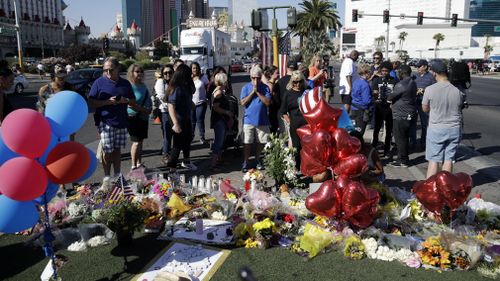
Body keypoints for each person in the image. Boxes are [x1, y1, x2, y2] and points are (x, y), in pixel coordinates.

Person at [88, 57, 136, 181]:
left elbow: (133, 100)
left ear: (118, 69)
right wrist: (107, 102)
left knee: (117, 149)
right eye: (105, 70)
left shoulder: (125, 83)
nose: (108, 73)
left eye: (111, 70)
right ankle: (107, 176)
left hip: (121, 121)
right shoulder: (99, 82)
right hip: (105, 121)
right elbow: (91, 102)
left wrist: (125, 101)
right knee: (107, 150)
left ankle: (117, 175)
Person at [422, 60, 465, 178]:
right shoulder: (457, 91)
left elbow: (425, 109)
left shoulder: (430, 89)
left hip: (437, 128)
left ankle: (431, 188)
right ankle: (446, 186)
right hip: (454, 129)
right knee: (448, 159)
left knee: (434, 159)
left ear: (435, 73)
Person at [164, 64, 197, 171]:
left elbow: (187, 97)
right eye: (189, 74)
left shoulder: (185, 86)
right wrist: (175, 123)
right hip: (178, 120)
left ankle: (186, 162)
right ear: (184, 74)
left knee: (187, 140)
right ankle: (172, 170)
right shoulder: (176, 88)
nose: (191, 75)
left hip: (186, 118)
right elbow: (171, 106)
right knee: (177, 145)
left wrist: (190, 103)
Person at [240, 65, 272, 172]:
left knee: (261, 141)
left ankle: (257, 160)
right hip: (249, 120)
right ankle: (246, 161)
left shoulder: (265, 87)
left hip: (262, 120)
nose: (256, 80)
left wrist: (258, 92)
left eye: (258, 78)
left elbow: (267, 102)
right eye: (253, 78)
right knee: (247, 142)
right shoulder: (246, 87)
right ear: (250, 77)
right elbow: (243, 102)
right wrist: (252, 92)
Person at [387, 65, 417, 168]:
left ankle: (402, 160)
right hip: (409, 113)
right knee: (404, 137)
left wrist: (388, 95)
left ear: (402, 73)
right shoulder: (412, 82)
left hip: (401, 114)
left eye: (399, 72)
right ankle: (404, 158)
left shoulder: (401, 84)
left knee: (400, 138)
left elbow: (391, 96)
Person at [126, 64, 152, 170]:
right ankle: (133, 165)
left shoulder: (143, 85)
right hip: (134, 117)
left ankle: (139, 163)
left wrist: (149, 109)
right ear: (131, 73)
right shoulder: (129, 86)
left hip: (144, 117)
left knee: (140, 142)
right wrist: (144, 110)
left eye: (141, 71)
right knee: (136, 142)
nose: (140, 73)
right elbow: (129, 103)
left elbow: (148, 99)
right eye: (137, 71)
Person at [280, 70, 308, 169]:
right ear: (292, 82)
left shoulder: (307, 91)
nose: (298, 84)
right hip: (295, 125)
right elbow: (283, 112)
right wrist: (289, 121)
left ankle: (307, 167)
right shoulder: (288, 94)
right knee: (297, 147)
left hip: (308, 125)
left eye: (300, 81)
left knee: (307, 146)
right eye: (295, 82)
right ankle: (297, 168)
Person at [371, 61, 396, 156]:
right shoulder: (377, 80)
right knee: (376, 129)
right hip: (379, 107)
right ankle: (374, 147)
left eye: (386, 71)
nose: (384, 72)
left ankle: (386, 149)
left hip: (389, 108)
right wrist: (375, 95)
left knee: (389, 130)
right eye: (382, 71)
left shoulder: (394, 81)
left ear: (389, 71)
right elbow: (374, 92)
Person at [209, 72, 234, 170]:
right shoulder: (219, 92)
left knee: (220, 140)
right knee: (219, 142)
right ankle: (213, 164)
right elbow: (215, 107)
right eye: (226, 80)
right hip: (219, 120)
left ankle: (218, 160)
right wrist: (227, 112)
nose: (227, 82)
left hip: (219, 120)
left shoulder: (218, 90)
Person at [412, 59, 436, 150]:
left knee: (424, 124)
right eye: (417, 66)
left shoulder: (431, 77)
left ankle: (423, 143)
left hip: (425, 103)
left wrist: (425, 90)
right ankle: (412, 142)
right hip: (414, 102)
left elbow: (435, 89)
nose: (418, 68)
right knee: (412, 124)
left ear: (425, 67)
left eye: (419, 66)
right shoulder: (414, 76)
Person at [155, 64, 174, 163]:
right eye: (165, 73)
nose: (168, 74)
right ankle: (165, 154)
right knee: (167, 134)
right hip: (165, 111)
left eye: (170, 72)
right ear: (162, 74)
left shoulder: (174, 82)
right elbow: (163, 97)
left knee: (174, 133)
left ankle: (171, 153)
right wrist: (174, 101)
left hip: (175, 111)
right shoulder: (160, 82)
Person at [349, 63, 373, 137]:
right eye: (370, 72)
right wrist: (372, 100)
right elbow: (366, 101)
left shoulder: (356, 81)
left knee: (353, 131)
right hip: (361, 111)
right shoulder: (365, 84)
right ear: (366, 73)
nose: (371, 74)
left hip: (353, 108)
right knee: (359, 133)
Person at [190, 62, 210, 144]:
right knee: (192, 121)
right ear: (191, 69)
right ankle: (191, 137)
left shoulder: (203, 77)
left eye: (197, 68)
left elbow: (208, 88)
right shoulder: (188, 78)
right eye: (194, 68)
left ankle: (202, 137)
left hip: (201, 103)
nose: (195, 69)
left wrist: (208, 98)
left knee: (200, 120)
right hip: (191, 104)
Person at [262, 65, 280, 134]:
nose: (278, 74)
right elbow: (272, 98)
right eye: (277, 73)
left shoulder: (274, 83)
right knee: (273, 129)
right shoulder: (270, 85)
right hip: (272, 110)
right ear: (271, 74)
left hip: (274, 110)